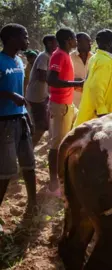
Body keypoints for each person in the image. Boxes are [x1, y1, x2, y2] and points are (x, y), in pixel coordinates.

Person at [0, 24, 37, 232]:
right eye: (25, 36)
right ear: (12, 38)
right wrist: (7, 95)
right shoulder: (0, 61)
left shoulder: (19, 61)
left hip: (20, 118)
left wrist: (27, 116)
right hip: (3, 122)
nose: (28, 40)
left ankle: (33, 204)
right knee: (5, 171)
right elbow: (12, 93)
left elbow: (21, 91)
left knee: (29, 163)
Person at [46, 28, 83, 196]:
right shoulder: (59, 54)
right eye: (74, 38)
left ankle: (65, 175)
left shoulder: (65, 54)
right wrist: (74, 84)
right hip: (60, 105)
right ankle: (54, 182)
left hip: (68, 104)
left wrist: (75, 84)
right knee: (57, 144)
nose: (76, 41)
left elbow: (61, 78)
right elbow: (52, 79)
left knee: (68, 140)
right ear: (69, 40)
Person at [25, 35, 57, 146]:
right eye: (55, 42)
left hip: (42, 96)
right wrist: (58, 80)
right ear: (49, 43)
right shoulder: (44, 57)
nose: (57, 45)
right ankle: (28, 149)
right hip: (37, 97)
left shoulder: (49, 56)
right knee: (41, 126)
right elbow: (42, 77)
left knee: (45, 125)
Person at [70, 32, 92, 108]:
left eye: (90, 42)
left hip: (90, 100)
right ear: (78, 42)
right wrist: (75, 81)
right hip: (73, 101)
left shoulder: (94, 58)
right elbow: (62, 78)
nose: (90, 44)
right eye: (87, 42)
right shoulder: (70, 57)